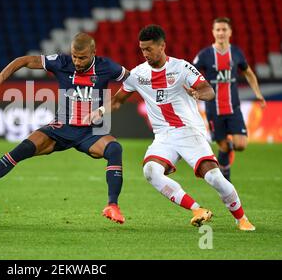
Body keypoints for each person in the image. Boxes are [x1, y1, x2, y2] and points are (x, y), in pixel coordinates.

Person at [88, 25, 255, 231]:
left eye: (149, 49)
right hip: (163, 137)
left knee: (213, 178)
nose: (145, 54)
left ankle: (242, 218)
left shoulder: (182, 68)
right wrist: (101, 111)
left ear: (162, 46)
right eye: (142, 49)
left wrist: (197, 94)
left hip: (188, 131)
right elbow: (117, 100)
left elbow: (208, 90)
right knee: (151, 171)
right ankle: (197, 210)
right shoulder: (139, 74)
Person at [0, 32, 130, 224]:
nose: (77, 61)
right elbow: (25, 60)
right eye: (74, 56)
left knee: (115, 148)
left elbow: (133, 81)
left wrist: (106, 107)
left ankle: (113, 205)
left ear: (94, 52)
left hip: (90, 132)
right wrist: (2, 76)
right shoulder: (62, 62)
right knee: (24, 147)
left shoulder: (107, 66)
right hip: (60, 128)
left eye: (82, 58)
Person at [193, 17, 266, 181]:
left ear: (230, 32)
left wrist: (258, 94)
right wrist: (194, 91)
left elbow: (248, 73)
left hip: (233, 108)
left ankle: (225, 164)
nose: (220, 33)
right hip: (213, 109)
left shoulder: (237, 53)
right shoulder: (205, 55)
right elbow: (191, 72)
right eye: (217, 30)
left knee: (241, 145)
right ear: (213, 32)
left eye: (224, 29)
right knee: (224, 146)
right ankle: (226, 179)